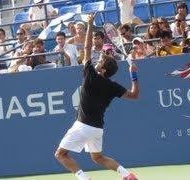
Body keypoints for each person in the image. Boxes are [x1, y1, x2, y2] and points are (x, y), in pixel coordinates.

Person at [54, 13, 140, 180]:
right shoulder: (113, 86)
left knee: (60, 154)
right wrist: (134, 75)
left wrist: (90, 24)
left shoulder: (90, 75)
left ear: (102, 69)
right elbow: (135, 95)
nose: (98, 60)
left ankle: (84, 179)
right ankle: (127, 175)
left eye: (100, 61)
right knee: (97, 157)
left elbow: (86, 48)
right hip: (97, 129)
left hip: (82, 126)